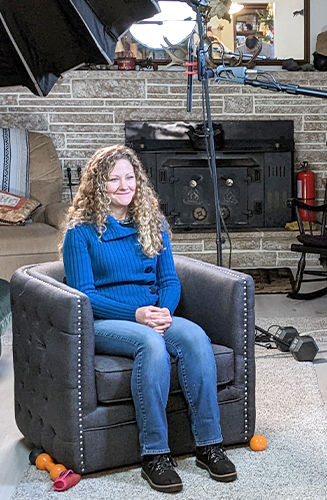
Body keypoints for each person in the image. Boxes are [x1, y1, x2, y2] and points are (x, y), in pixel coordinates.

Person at [61, 145, 237, 493]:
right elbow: (86, 296)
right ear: (98, 185)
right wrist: (137, 315)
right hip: (108, 319)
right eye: (113, 179)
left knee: (197, 339)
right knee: (152, 346)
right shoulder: (79, 233)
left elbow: (170, 280)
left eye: (130, 178)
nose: (124, 185)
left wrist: (163, 311)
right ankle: (155, 454)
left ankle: (209, 445)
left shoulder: (152, 223)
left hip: (154, 313)